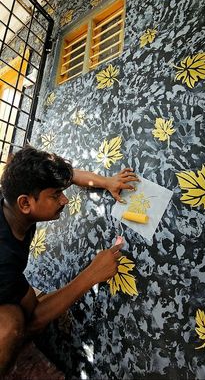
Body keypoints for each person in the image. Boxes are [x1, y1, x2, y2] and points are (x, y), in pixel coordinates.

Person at [0, 145, 138, 374]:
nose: (65, 200)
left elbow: (69, 175)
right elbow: (32, 320)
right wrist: (91, 275)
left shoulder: (14, 197)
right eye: (55, 195)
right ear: (25, 204)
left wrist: (107, 182)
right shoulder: (4, 262)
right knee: (12, 323)